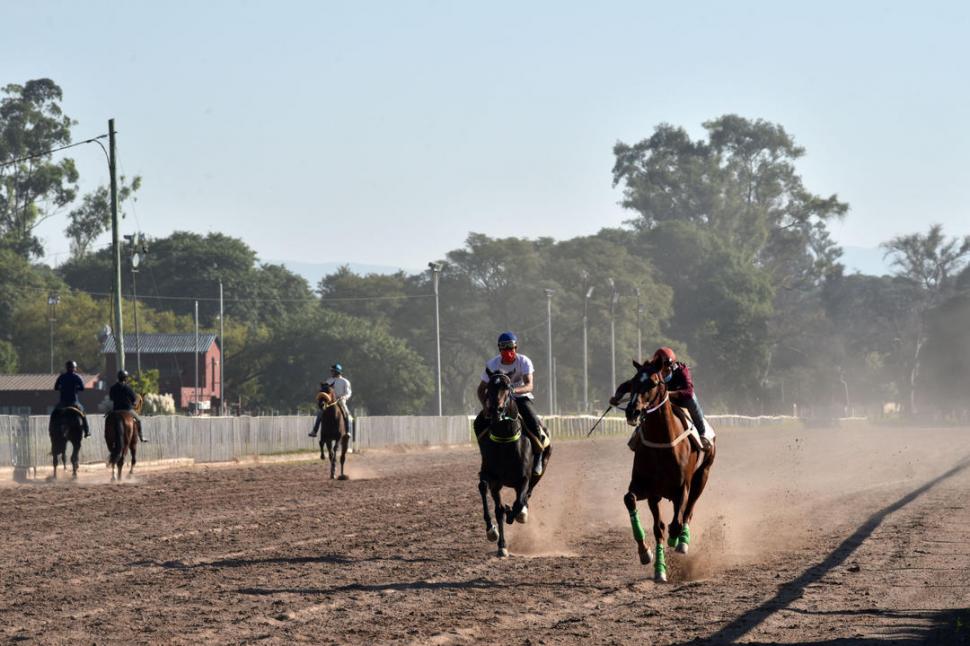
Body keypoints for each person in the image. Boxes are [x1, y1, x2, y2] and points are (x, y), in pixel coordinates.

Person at [474, 332, 550, 476]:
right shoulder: (492, 364)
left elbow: (529, 385)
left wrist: (512, 390)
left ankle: (538, 456)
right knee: (478, 423)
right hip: (499, 401)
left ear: (516, 347)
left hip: (520, 398)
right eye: (504, 348)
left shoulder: (524, 361)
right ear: (499, 349)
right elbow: (481, 389)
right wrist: (485, 406)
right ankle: (485, 455)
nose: (508, 351)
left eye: (511, 348)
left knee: (533, 421)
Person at [610, 347, 712, 450]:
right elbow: (630, 385)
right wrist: (617, 396)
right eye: (660, 368)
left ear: (672, 366)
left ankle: (702, 432)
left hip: (681, 398)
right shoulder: (651, 372)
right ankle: (638, 432)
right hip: (661, 401)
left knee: (692, 400)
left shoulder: (681, 370)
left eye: (666, 369)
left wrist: (668, 394)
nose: (662, 372)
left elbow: (689, 392)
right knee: (647, 405)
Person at [309, 363, 353, 439]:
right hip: (330, 401)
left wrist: (344, 397)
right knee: (320, 413)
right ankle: (314, 431)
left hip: (340, 400)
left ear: (337, 372)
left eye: (333, 371)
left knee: (346, 413)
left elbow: (348, 393)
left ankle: (347, 432)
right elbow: (325, 390)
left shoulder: (345, 381)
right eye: (331, 371)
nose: (331, 372)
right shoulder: (329, 380)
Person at [51, 360, 90, 438]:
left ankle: (52, 430)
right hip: (74, 402)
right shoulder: (77, 377)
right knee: (83, 414)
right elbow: (82, 388)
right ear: (74, 368)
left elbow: (55, 388)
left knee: (54, 414)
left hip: (62, 402)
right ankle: (87, 431)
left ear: (66, 368)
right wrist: (75, 388)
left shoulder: (61, 376)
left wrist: (62, 388)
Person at [109, 370, 147, 442]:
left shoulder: (113, 388)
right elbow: (134, 400)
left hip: (116, 409)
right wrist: (134, 403)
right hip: (127, 409)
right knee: (138, 420)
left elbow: (111, 398)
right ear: (126, 378)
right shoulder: (128, 388)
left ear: (118, 377)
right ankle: (141, 437)